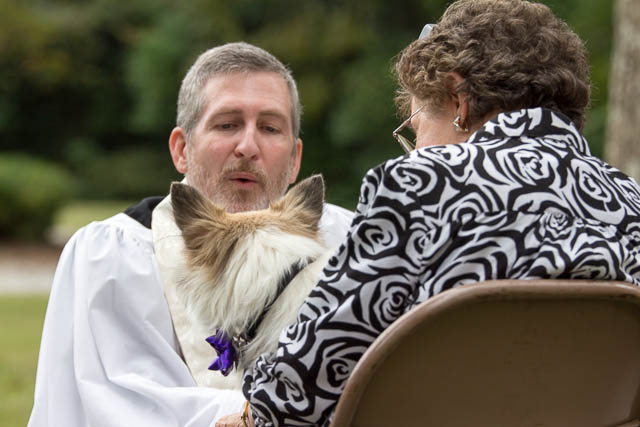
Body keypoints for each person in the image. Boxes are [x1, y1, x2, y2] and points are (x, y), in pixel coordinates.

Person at [237, 1, 640, 426]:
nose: (416, 150)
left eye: (414, 129)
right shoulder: (630, 203)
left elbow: (297, 391)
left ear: (459, 100)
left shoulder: (423, 182)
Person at [28, 42, 354, 426]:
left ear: (295, 157)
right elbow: (122, 404)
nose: (248, 146)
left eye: (269, 127)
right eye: (227, 124)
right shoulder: (116, 256)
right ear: (182, 149)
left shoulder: (347, 238)